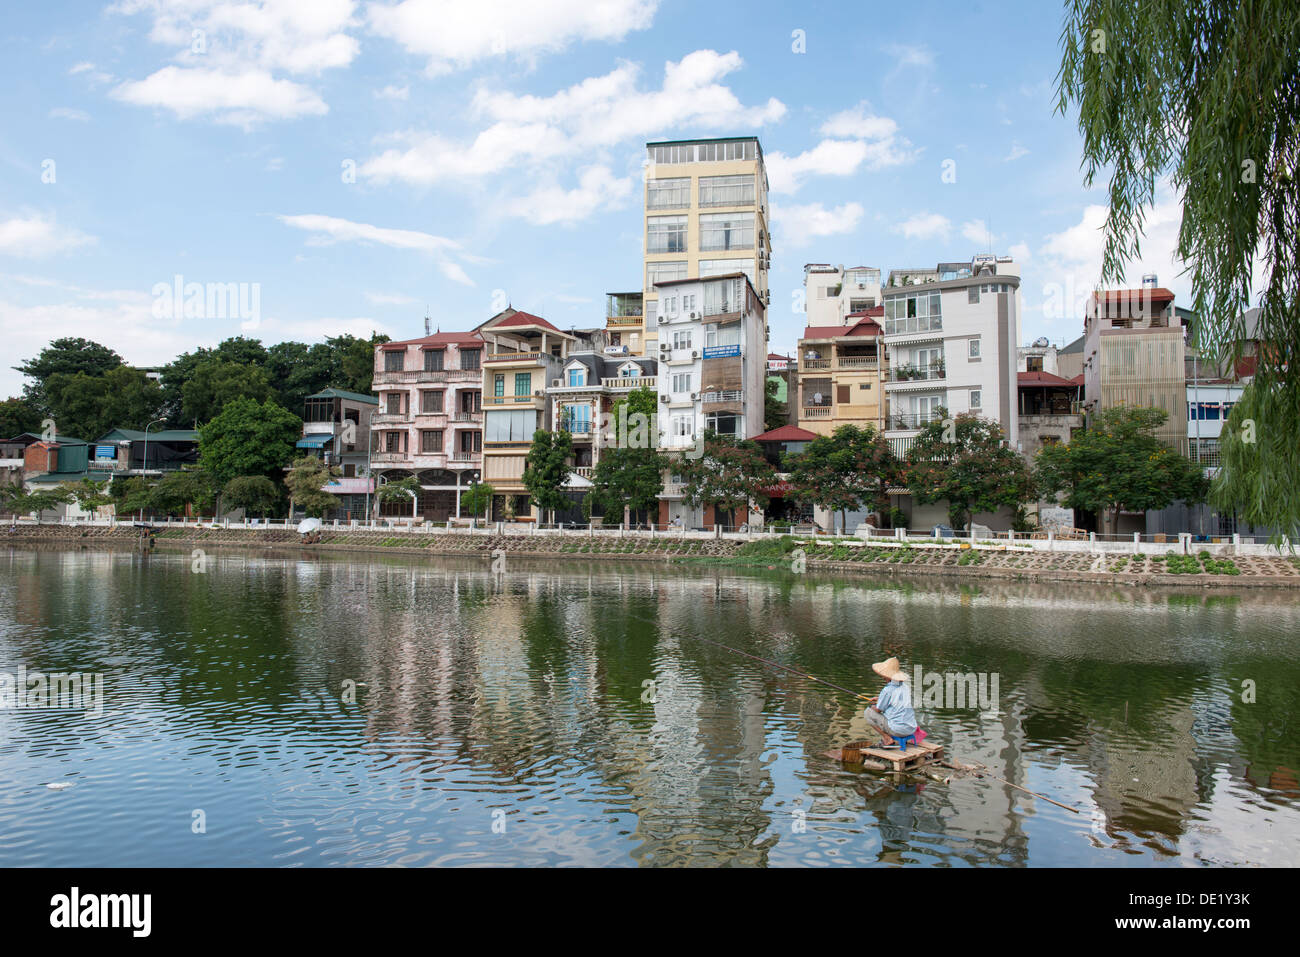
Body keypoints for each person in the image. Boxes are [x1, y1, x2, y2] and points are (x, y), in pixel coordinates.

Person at [864, 657, 917, 748]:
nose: (883, 677)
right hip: (911, 728)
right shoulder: (905, 687)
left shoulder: (887, 690)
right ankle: (889, 737)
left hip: (898, 730)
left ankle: (887, 738)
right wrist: (879, 698)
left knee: (868, 712)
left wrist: (873, 706)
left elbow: (878, 710)